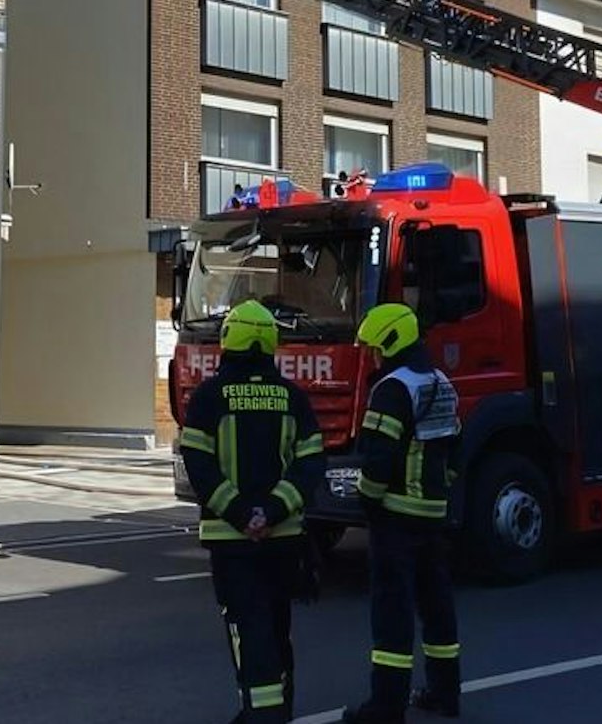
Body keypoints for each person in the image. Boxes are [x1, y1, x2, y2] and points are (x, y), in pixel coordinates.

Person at [179, 299, 326, 724]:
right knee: (279, 628)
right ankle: (281, 709)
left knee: (248, 628)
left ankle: (263, 715)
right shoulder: (292, 397)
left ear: (231, 339)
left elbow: (200, 466)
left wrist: (243, 514)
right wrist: (275, 510)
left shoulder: (209, 397)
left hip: (233, 540)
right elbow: (310, 462)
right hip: (284, 537)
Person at [341, 303, 462, 724]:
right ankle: (446, 693)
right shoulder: (441, 382)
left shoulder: (392, 388)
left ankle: (386, 707)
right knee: (437, 607)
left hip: (396, 516)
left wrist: (366, 500)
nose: (373, 356)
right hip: (433, 514)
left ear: (390, 342)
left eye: (375, 348)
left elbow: (380, 458)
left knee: (392, 615)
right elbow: (453, 450)